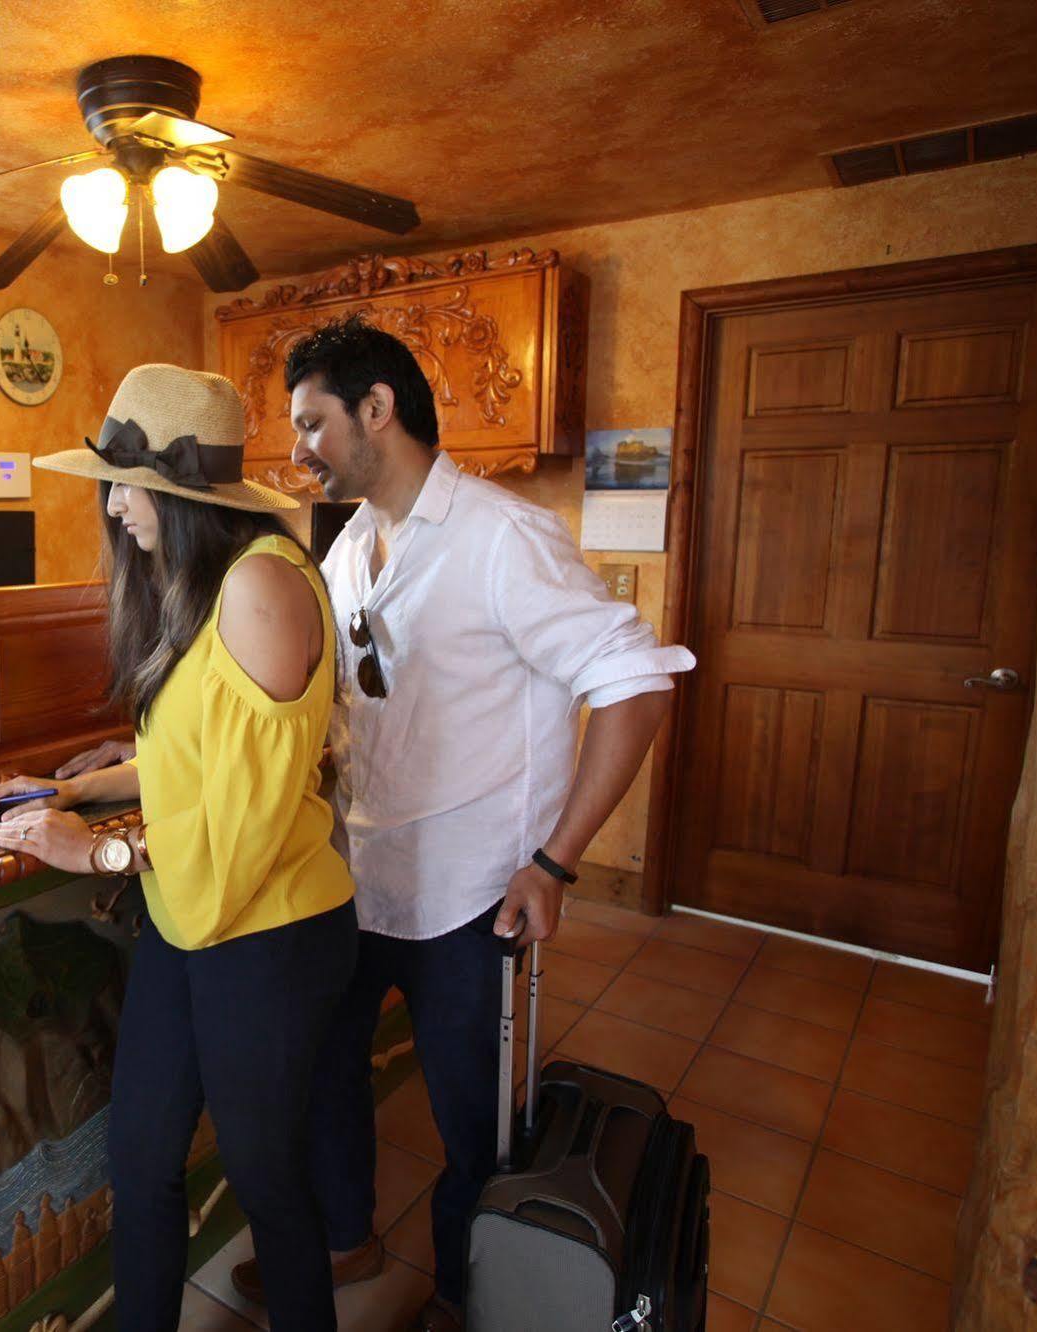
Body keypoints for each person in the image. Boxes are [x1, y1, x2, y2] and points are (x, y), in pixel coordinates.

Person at [228, 317, 695, 1332]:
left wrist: (555, 864)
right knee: (327, 1075)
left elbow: (635, 686)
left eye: (311, 422)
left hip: (472, 896)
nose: (298, 446)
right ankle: (345, 1237)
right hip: (358, 881)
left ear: (376, 409)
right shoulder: (350, 544)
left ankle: (464, 1292)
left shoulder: (502, 536)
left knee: (471, 1122)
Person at [0, 364, 358, 1331]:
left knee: (269, 1183)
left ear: (181, 493)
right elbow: (188, 760)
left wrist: (89, 854)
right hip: (189, 923)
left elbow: (244, 823)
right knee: (140, 1162)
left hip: (271, 934)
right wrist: (75, 789)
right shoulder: (197, 583)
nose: (110, 505)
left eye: (124, 484)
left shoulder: (262, 588)